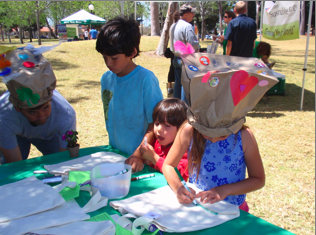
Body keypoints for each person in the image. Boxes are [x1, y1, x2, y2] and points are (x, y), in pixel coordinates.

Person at [162, 66, 277, 212]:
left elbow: (258, 179)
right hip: (199, 208)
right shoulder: (189, 130)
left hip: (234, 210)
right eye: (206, 132)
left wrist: (224, 190)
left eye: (222, 134)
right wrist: (178, 188)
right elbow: (168, 165)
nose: (213, 139)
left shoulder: (245, 136)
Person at [96, 17, 163, 172]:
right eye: (104, 57)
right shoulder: (106, 79)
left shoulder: (146, 80)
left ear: (132, 52)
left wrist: (137, 154)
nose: (109, 63)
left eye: (114, 58)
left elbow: (155, 124)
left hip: (141, 160)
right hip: (116, 155)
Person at [0, 46, 76, 164]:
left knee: (59, 164)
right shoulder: (4, 117)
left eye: (46, 108)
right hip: (16, 134)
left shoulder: (65, 114)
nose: (41, 116)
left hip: (50, 135)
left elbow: (65, 163)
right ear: (17, 108)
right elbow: (14, 167)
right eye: (32, 112)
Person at [139, 98, 189, 181]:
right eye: (157, 124)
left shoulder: (183, 150)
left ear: (181, 129)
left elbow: (180, 175)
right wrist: (149, 161)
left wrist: (154, 158)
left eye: (167, 125)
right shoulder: (156, 142)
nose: (159, 129)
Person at [170, 4, 199, 103]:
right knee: (186, 86)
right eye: (192, 13)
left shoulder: (174, 25)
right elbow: (193, 45)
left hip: (176, 58)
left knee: (178, 83)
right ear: (186, 14)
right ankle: (184, 110)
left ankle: (176, 107)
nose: (193, 15)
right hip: (185, 59)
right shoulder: (187, 26)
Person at [166, 10, 180, 96]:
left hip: (174, 54)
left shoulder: (172, 26)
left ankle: (170, 89)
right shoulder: (178, 26)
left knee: (173, 73)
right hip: (179, 54)